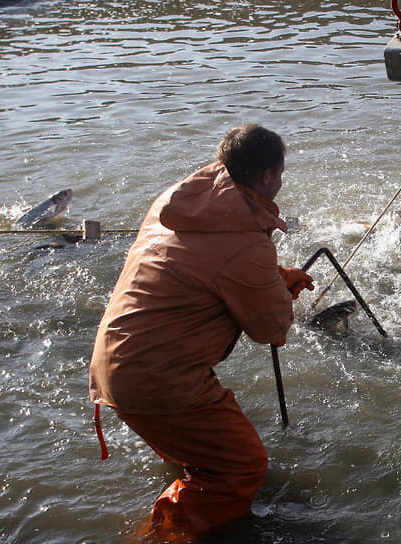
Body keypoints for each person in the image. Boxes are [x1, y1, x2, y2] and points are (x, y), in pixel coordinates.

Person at [89, 123, 314, 543]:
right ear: (266, 177)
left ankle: (193, 479)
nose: (282, 182)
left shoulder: (178, 202)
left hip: (113, 358)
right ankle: (162, 536)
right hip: (159, 380)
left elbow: (198, 268)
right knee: (242, 467)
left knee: (203, 459)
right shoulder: (247, 246)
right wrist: (277, 289)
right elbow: (271, 329)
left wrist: (272, 276)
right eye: (280, 174)